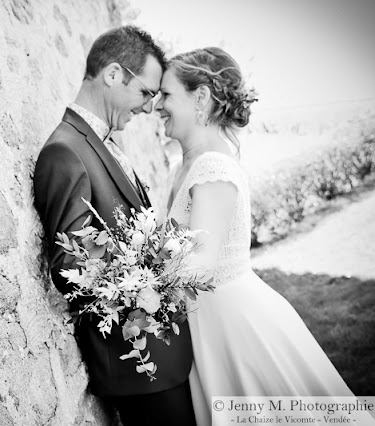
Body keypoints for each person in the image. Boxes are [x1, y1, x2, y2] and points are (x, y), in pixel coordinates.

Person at [156, 47, 374, 426]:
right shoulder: (182, 165)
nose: (158, 105)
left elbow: (202, 265)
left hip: (233, 324)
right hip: (204, 322)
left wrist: (140, 278)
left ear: (201, 98)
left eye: (167, 95)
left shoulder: (212, 167)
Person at [33, 26, 196, 426]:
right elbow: (70, 266)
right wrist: (142, 280)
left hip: (161, 358)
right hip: (135, 366)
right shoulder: (64, 151)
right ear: (113, 74)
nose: (147, 107)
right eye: (145, 92)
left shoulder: (102, 141)